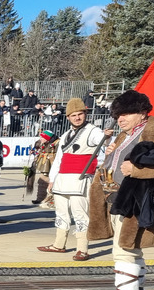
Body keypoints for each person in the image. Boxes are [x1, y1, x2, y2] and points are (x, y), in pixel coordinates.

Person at [88, 90, 154, 290]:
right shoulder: (126, 134)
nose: (120, 119)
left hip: (139, 201)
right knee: (132, 250)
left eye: (125, 113)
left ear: (143, 113)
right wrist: (113, 155)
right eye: (117, 115)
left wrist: (135, 170)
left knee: (124, 251)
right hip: (119, 200)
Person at [37, 98, 105, 260]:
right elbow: (59, 159)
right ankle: (59, 244)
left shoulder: (94, 131)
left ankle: (83, 248)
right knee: (61, 214)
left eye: (80, 114)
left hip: (80, 180)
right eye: (73, 115)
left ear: (85, 114)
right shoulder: (66, 134)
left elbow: (103, 151)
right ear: (68, 117)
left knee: (80, 214)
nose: (77, 117)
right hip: (62, 179)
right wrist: (53, 179)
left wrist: (92, 169)